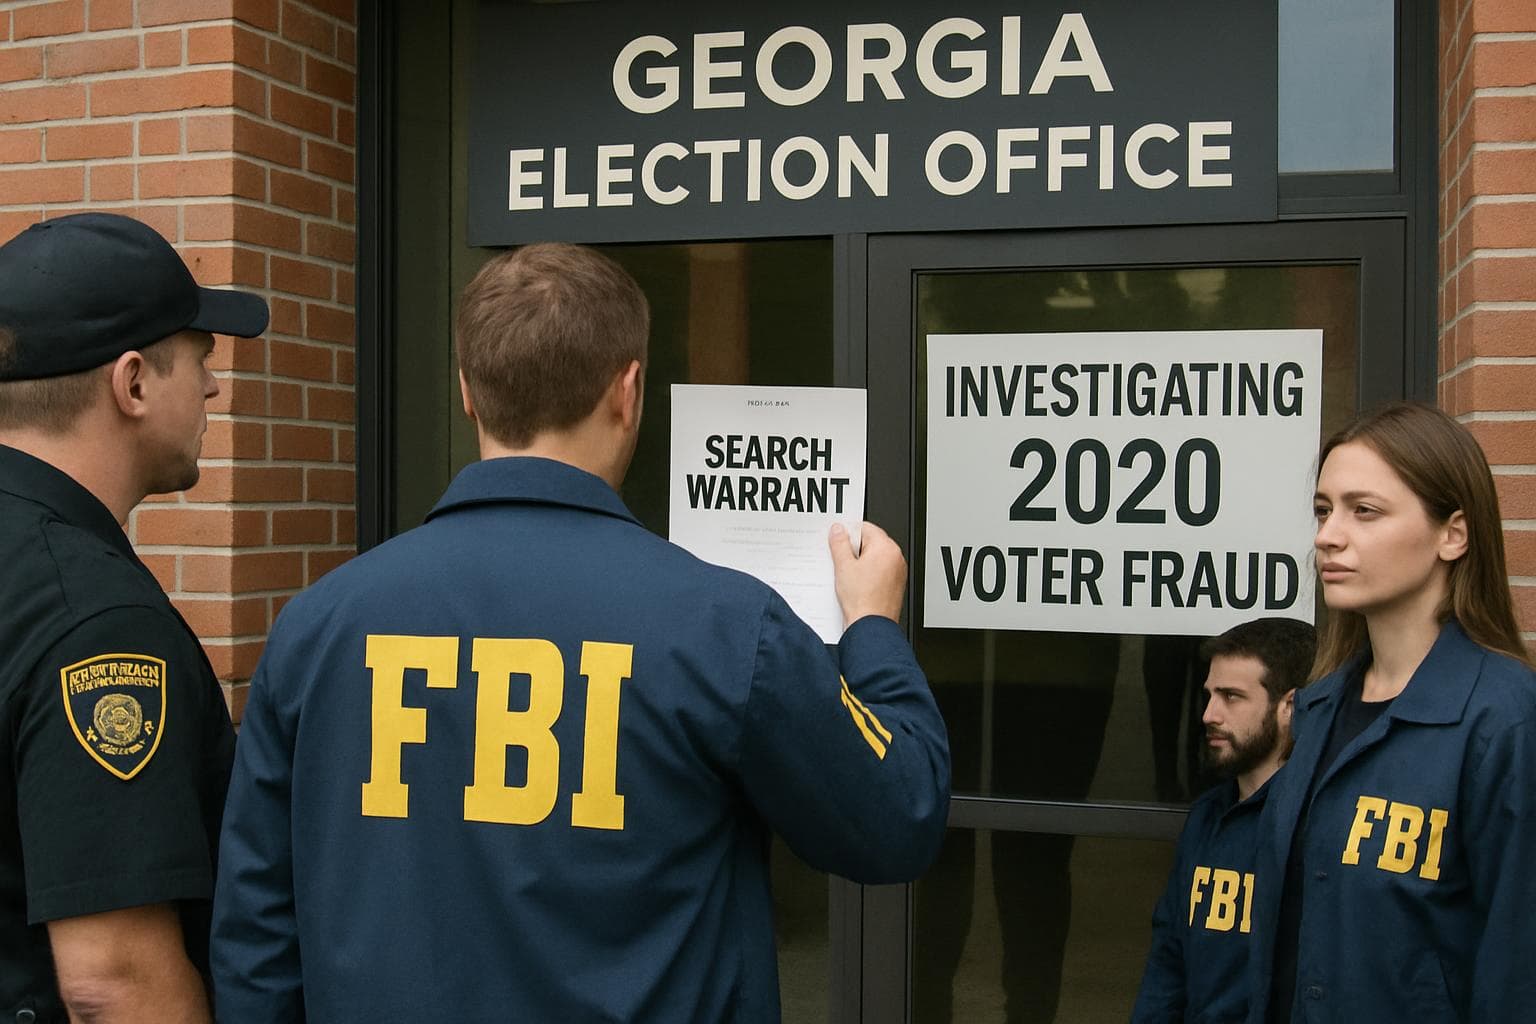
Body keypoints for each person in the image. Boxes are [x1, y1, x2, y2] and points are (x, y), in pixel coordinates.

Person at [210, 242, 952, 1022]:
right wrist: (871, 626)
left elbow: (257, 934)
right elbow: (896, 818)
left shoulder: (318, 624)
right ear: (629, 391)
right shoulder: (726, 625)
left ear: (467, 392)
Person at [0, 213, 269, 1022]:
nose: (215, 388)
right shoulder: (95, 621)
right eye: (201, 359)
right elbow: (113, 981)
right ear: (134, 383)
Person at [1246, 401, 1536, 1022]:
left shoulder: (1504, 719)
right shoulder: (1320, 706)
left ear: (1451, 533)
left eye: (1364, 511)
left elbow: (1516, 970)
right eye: (1323, 510)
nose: (1327, 535)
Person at [1132, 617, 1316, 1023]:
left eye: (1231, 697)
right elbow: (1169, 958)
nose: (1209, 714)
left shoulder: (1320, 823)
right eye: (1210, 694)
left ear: (1290, 707)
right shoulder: (1207, 816)